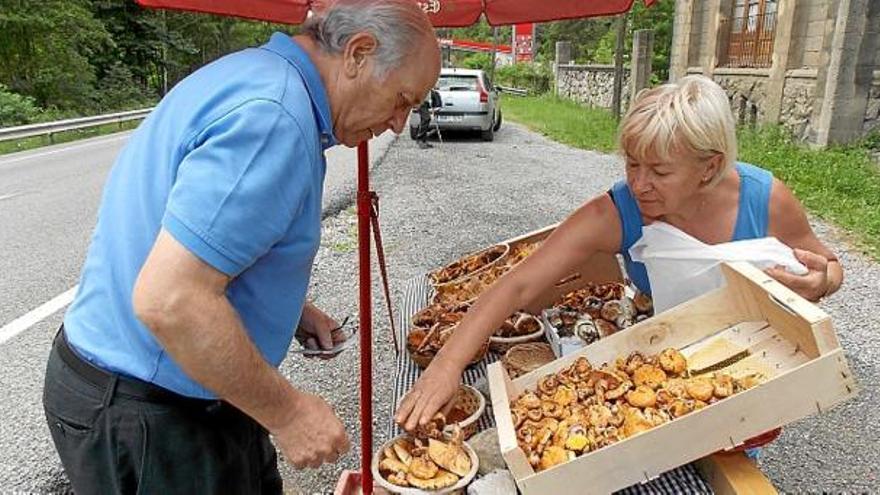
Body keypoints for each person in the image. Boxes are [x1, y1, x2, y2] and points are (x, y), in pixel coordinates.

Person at [42, 1, 440, 493]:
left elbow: (199, 242)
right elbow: (170, 299)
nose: (400, 123)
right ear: (358, 53)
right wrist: (289, 412)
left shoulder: (257, 77)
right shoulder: (274, 119)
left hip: (159, 393)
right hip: (152, 412)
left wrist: (289, 308)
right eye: (402, 98)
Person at [396, 75, 843, 430]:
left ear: (709, 166)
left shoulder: (765, 198)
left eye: (660, 171)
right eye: (632, 163)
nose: (639, 183)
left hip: (752, 363)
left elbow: (830, 268)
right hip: (666, 360)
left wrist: (820, 281)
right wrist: (447, 365)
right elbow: (518, 284)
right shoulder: (620, 209)